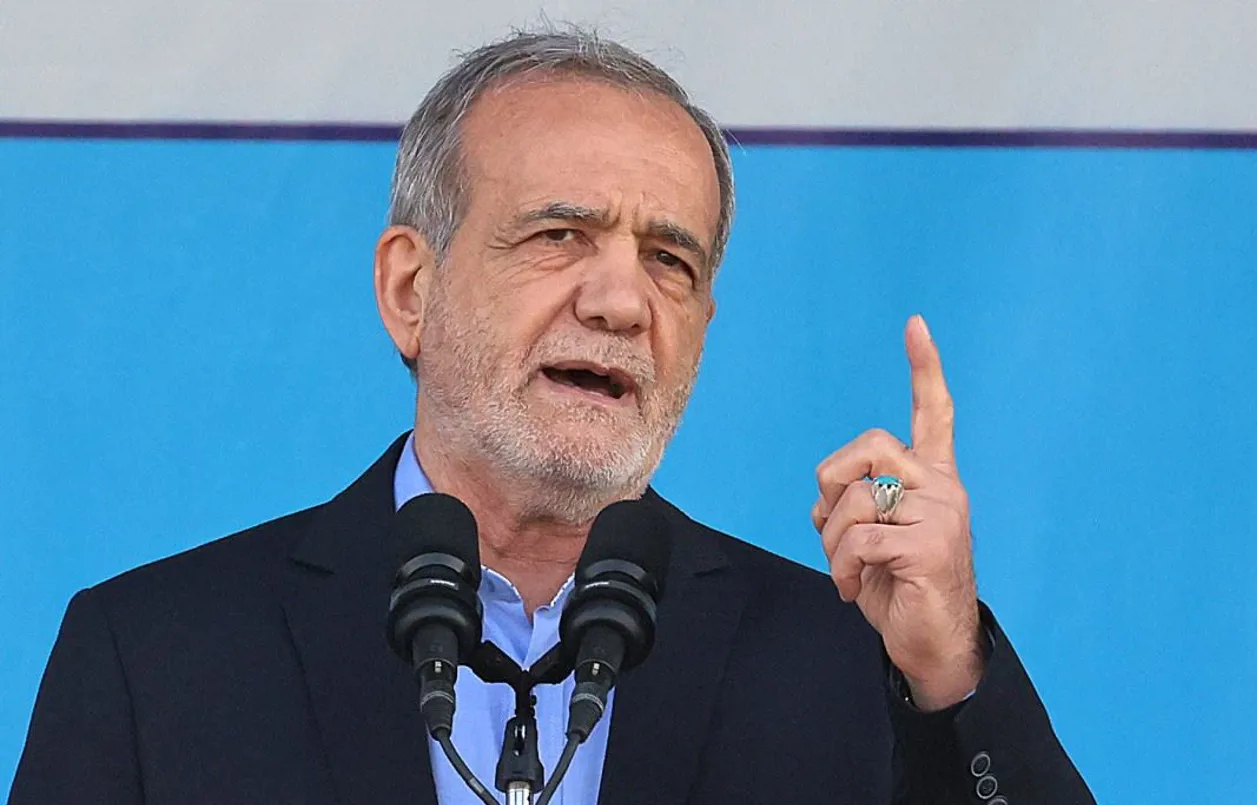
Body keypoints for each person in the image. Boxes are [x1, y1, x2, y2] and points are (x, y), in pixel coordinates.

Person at [10, 29, 1094, 805]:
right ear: (410, 290)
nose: (620, 301)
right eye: (558, 235)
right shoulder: (157, 657)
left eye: (668, 260)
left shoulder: (844, 662)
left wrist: (949, 674)